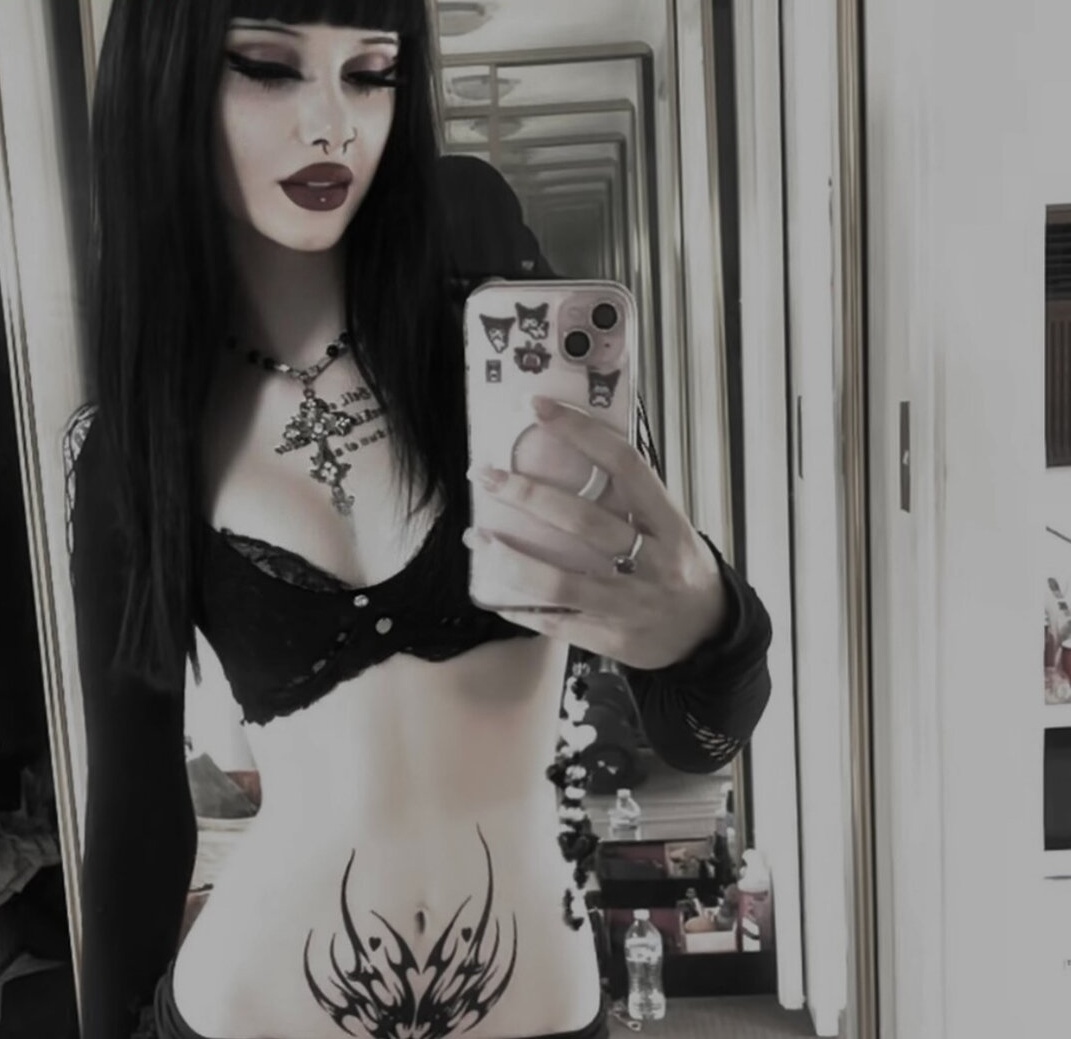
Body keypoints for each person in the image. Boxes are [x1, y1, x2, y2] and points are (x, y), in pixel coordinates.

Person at [65, 2, 772, 1037]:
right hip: (243, 1008)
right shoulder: (137, 444)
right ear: (161, 83)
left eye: (369, 72)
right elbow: (133, 815)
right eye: (267, 65)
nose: (332, 123)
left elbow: (701, 735)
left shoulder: (520, 369)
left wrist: (708, 621)